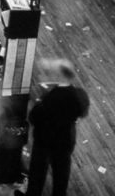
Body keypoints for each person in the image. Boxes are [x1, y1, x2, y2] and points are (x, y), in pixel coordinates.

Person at [16, 60, 89, 196]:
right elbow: (83, 112)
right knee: (61, 175)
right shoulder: (78, 95)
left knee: (37, 173)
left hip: (44, 141)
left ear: (60, 75)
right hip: (65, 140)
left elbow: (34, 117)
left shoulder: (50, 97)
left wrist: (38, 103)